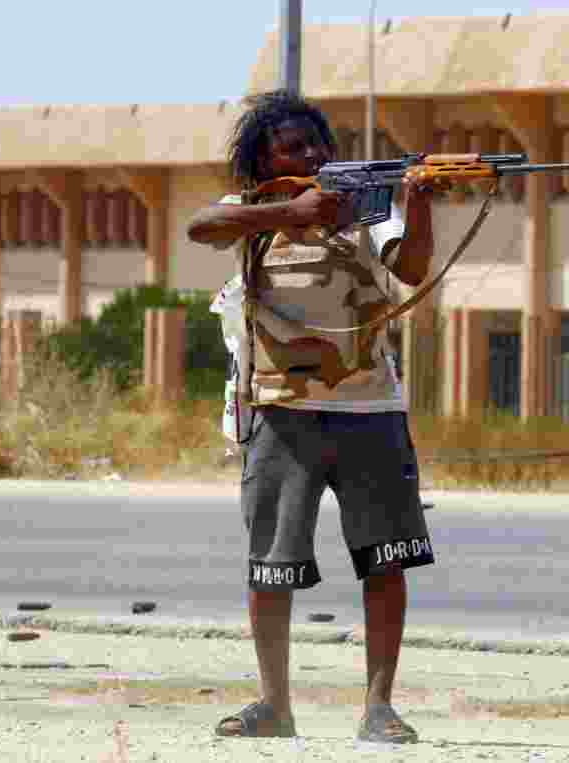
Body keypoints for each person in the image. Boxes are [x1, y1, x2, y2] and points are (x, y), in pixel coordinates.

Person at [187, 90, 436, 744]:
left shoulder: (365, 205)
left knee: (385, 559)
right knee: (271, 562)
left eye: (316, 143)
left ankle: (379, 707)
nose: (310, 155)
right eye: (292, 147)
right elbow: (200, 226)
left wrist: (421, 205)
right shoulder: (255, 210)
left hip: (371, 410)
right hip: (281, 414)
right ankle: (274, 704)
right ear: (264, 161)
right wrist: (288, 209)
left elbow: (410, 268)